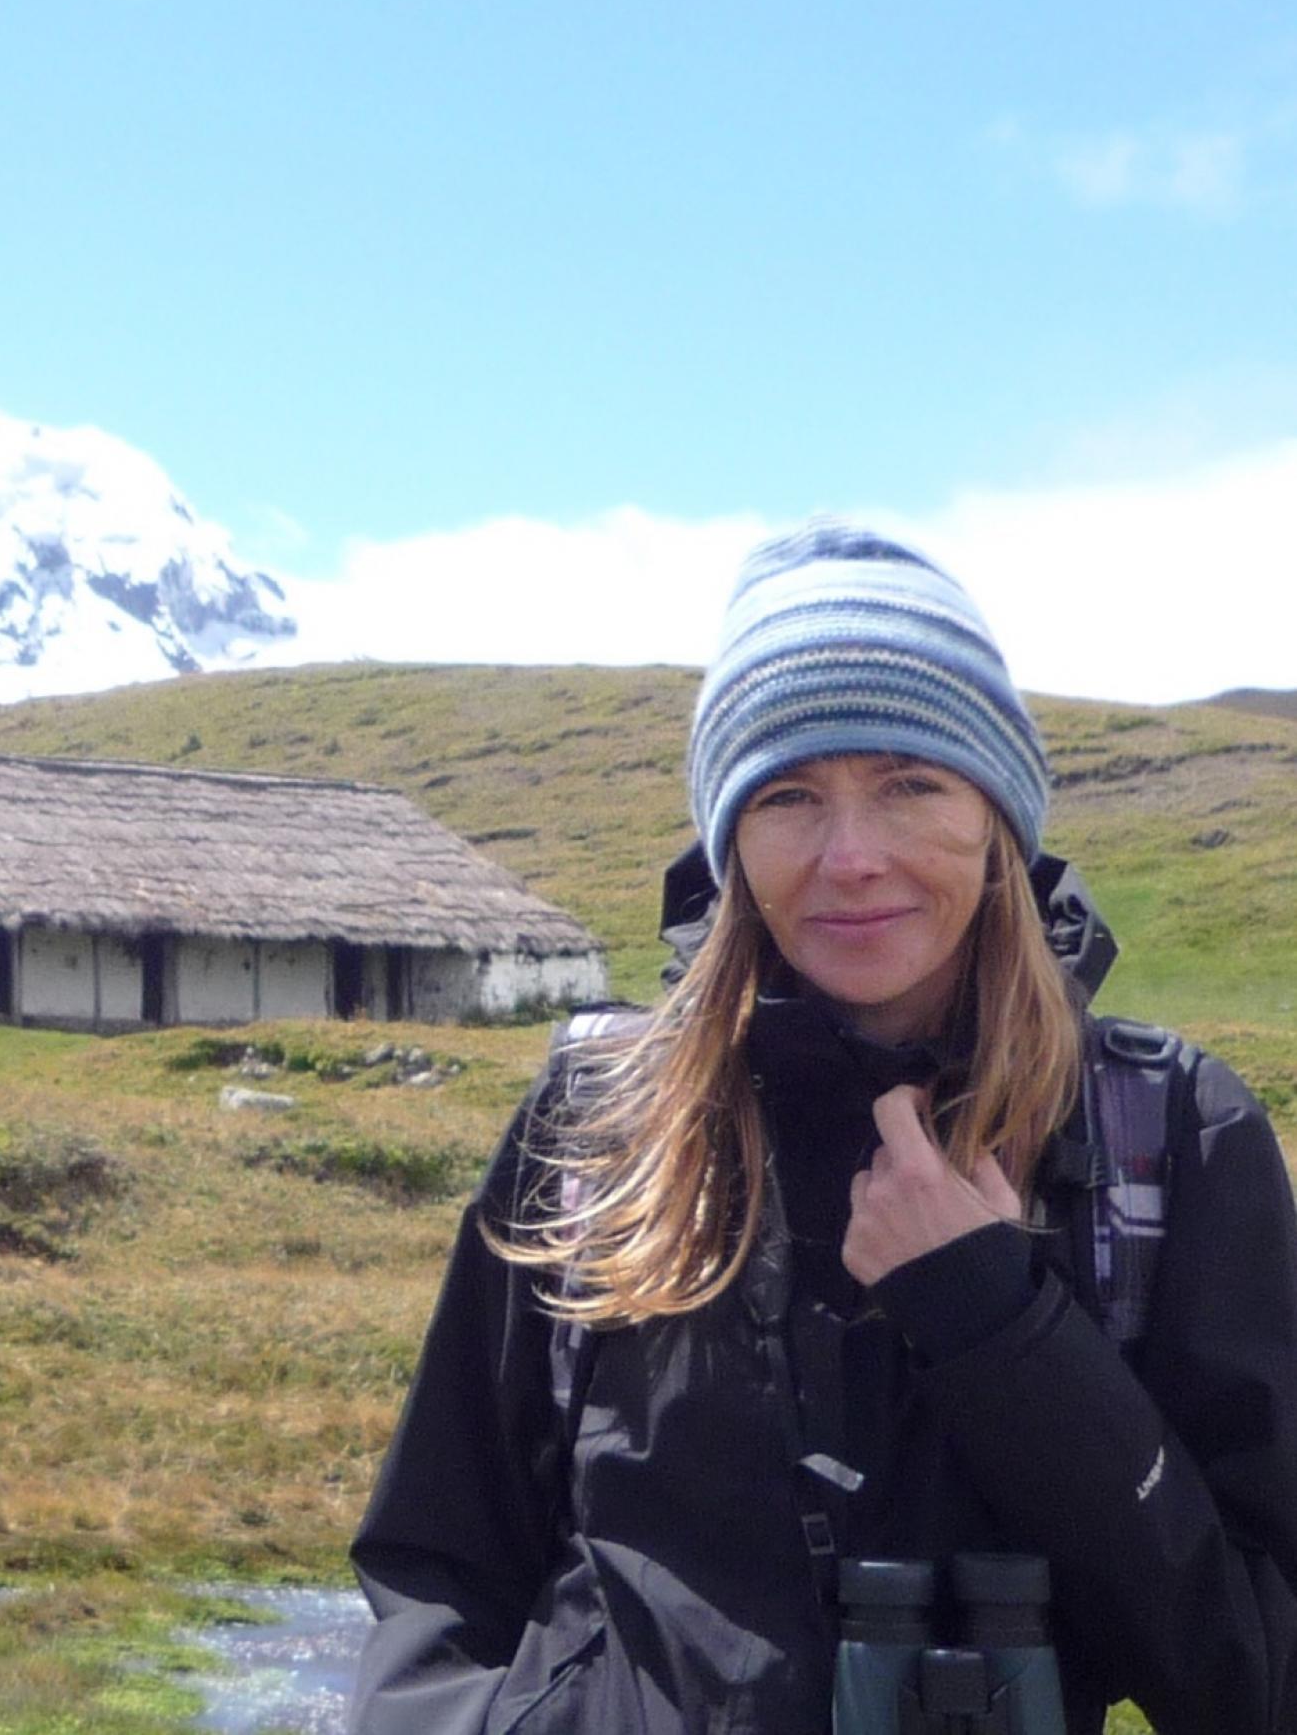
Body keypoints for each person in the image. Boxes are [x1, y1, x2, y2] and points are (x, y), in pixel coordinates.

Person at [345, 521, 1297, 1733]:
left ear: (996, 817)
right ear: (727, 837)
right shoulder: (601, 1117)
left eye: (910, 781)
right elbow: (439, 1562)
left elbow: (1254, 1676)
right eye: (788, 794)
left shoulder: (1167, 1137)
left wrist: (1002, 1328)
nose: (850, 856)